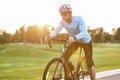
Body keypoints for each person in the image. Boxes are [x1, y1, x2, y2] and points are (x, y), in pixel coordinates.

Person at [49, 4, 96, 80]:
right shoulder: (62, 21)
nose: (62, 16)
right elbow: (56, 30)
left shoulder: (78, 19)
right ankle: (68, 77)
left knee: (89, 62)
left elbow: (84, 32)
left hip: (85, 41)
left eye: (64, 14)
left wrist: (74, 37)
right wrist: (49, 36)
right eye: (61, 14)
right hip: (75, 41)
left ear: (70, 13)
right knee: (65, 57)